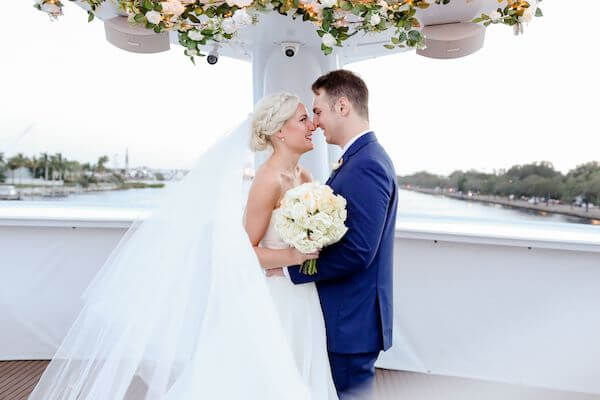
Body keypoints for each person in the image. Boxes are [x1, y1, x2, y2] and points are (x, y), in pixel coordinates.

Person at [275, 69, 398, 400]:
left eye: (318, 110)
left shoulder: (367, 164)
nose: (315, 122)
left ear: (342, 106)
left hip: (351, 322)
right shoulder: (357, 159)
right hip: (348, 318)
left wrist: (290, 268)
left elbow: (358, 251)